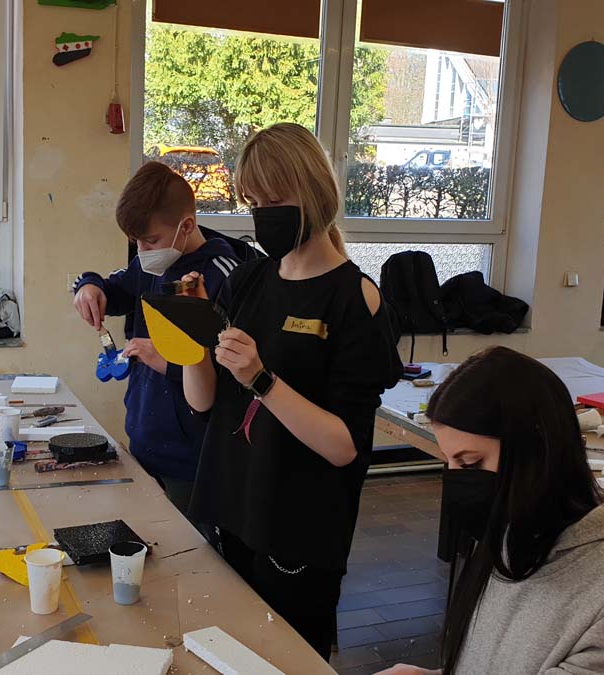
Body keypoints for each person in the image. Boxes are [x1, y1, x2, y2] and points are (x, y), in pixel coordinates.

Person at [179, 122, 402, 658]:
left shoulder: (356, 299)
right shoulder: (248, 281)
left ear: (312, 192)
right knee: (230, 655)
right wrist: (190, 336)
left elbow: (344, 446)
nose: (262, 215)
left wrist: (261, 379)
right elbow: (202, 401)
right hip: (234, 505)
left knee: (290, 659)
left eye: (273, 201)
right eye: (253, 202)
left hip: (299, 527)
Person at [377, 347, 604, 675]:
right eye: (450, 463)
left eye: (470, 463)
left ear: (538, 450)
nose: (458, 480)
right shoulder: (515, 535)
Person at [71, 161, 241, 515]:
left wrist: (166, 361)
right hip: (144, 439)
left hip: (192, 457)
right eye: (136, 242)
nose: (143, 251)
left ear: (187, 226)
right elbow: (114, 287)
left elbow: (231, 377)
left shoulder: (223, 276)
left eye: (151, 240)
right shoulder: (151, 263)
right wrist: (88, 286)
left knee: (188, 543)